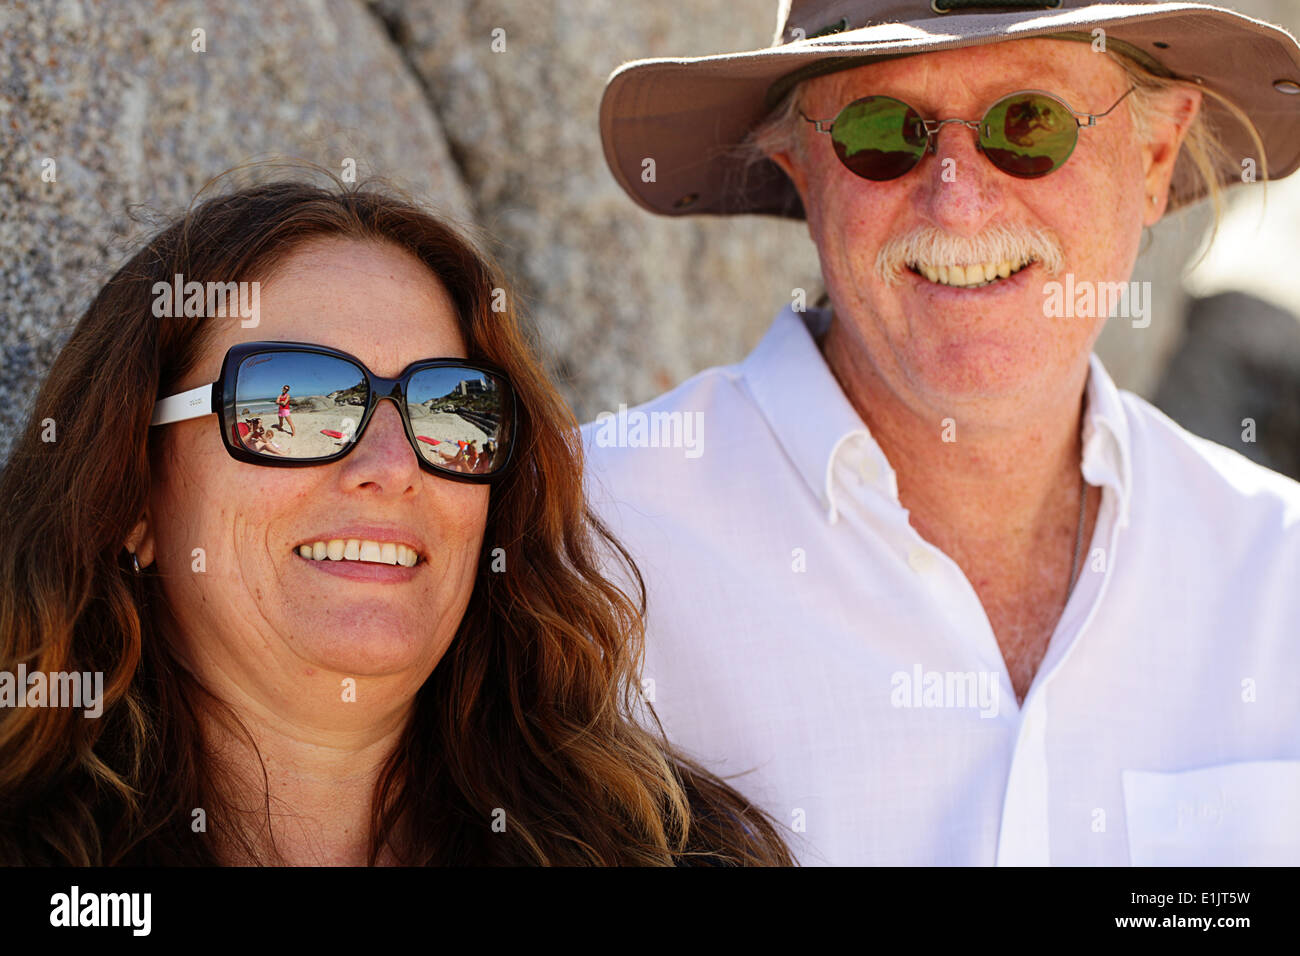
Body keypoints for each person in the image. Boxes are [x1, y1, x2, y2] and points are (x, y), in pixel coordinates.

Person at [584, 0, 1300, 865]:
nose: (956, 203)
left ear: (1155, 157)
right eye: (881, 130)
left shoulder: (1280, 571)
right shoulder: (589, 547)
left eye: (1029, 124)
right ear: (804, 169)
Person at [0, 174, 793, 866]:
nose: (392, 465)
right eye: (301, 405)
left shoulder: (671, 855)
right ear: (134, 490)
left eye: (451, 410)